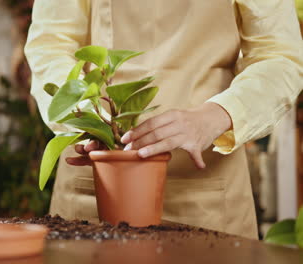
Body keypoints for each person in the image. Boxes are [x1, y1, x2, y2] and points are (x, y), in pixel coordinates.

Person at [24, 0, 303, 239]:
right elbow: (50, 46)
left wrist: (217, 115)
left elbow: (280, 56)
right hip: (95, 182)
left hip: (207, 193)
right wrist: (87, 120)